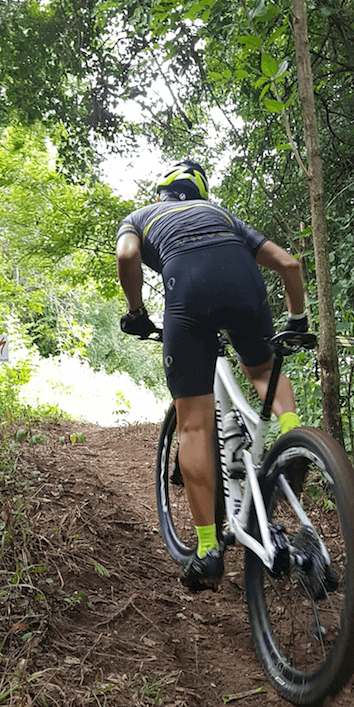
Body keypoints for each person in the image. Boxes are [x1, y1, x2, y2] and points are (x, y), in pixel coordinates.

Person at [115, 160, 309, 592]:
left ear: (161, 190)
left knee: (195, 424)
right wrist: (297, 319)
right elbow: (289, 265)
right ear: (198, 193)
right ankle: (294, 437)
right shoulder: (221, 216)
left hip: (187, 295)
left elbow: (127, 255)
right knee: (260, 367)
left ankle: (207, 550)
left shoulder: (140, 217)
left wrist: (136, 313)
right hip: (243, 284)